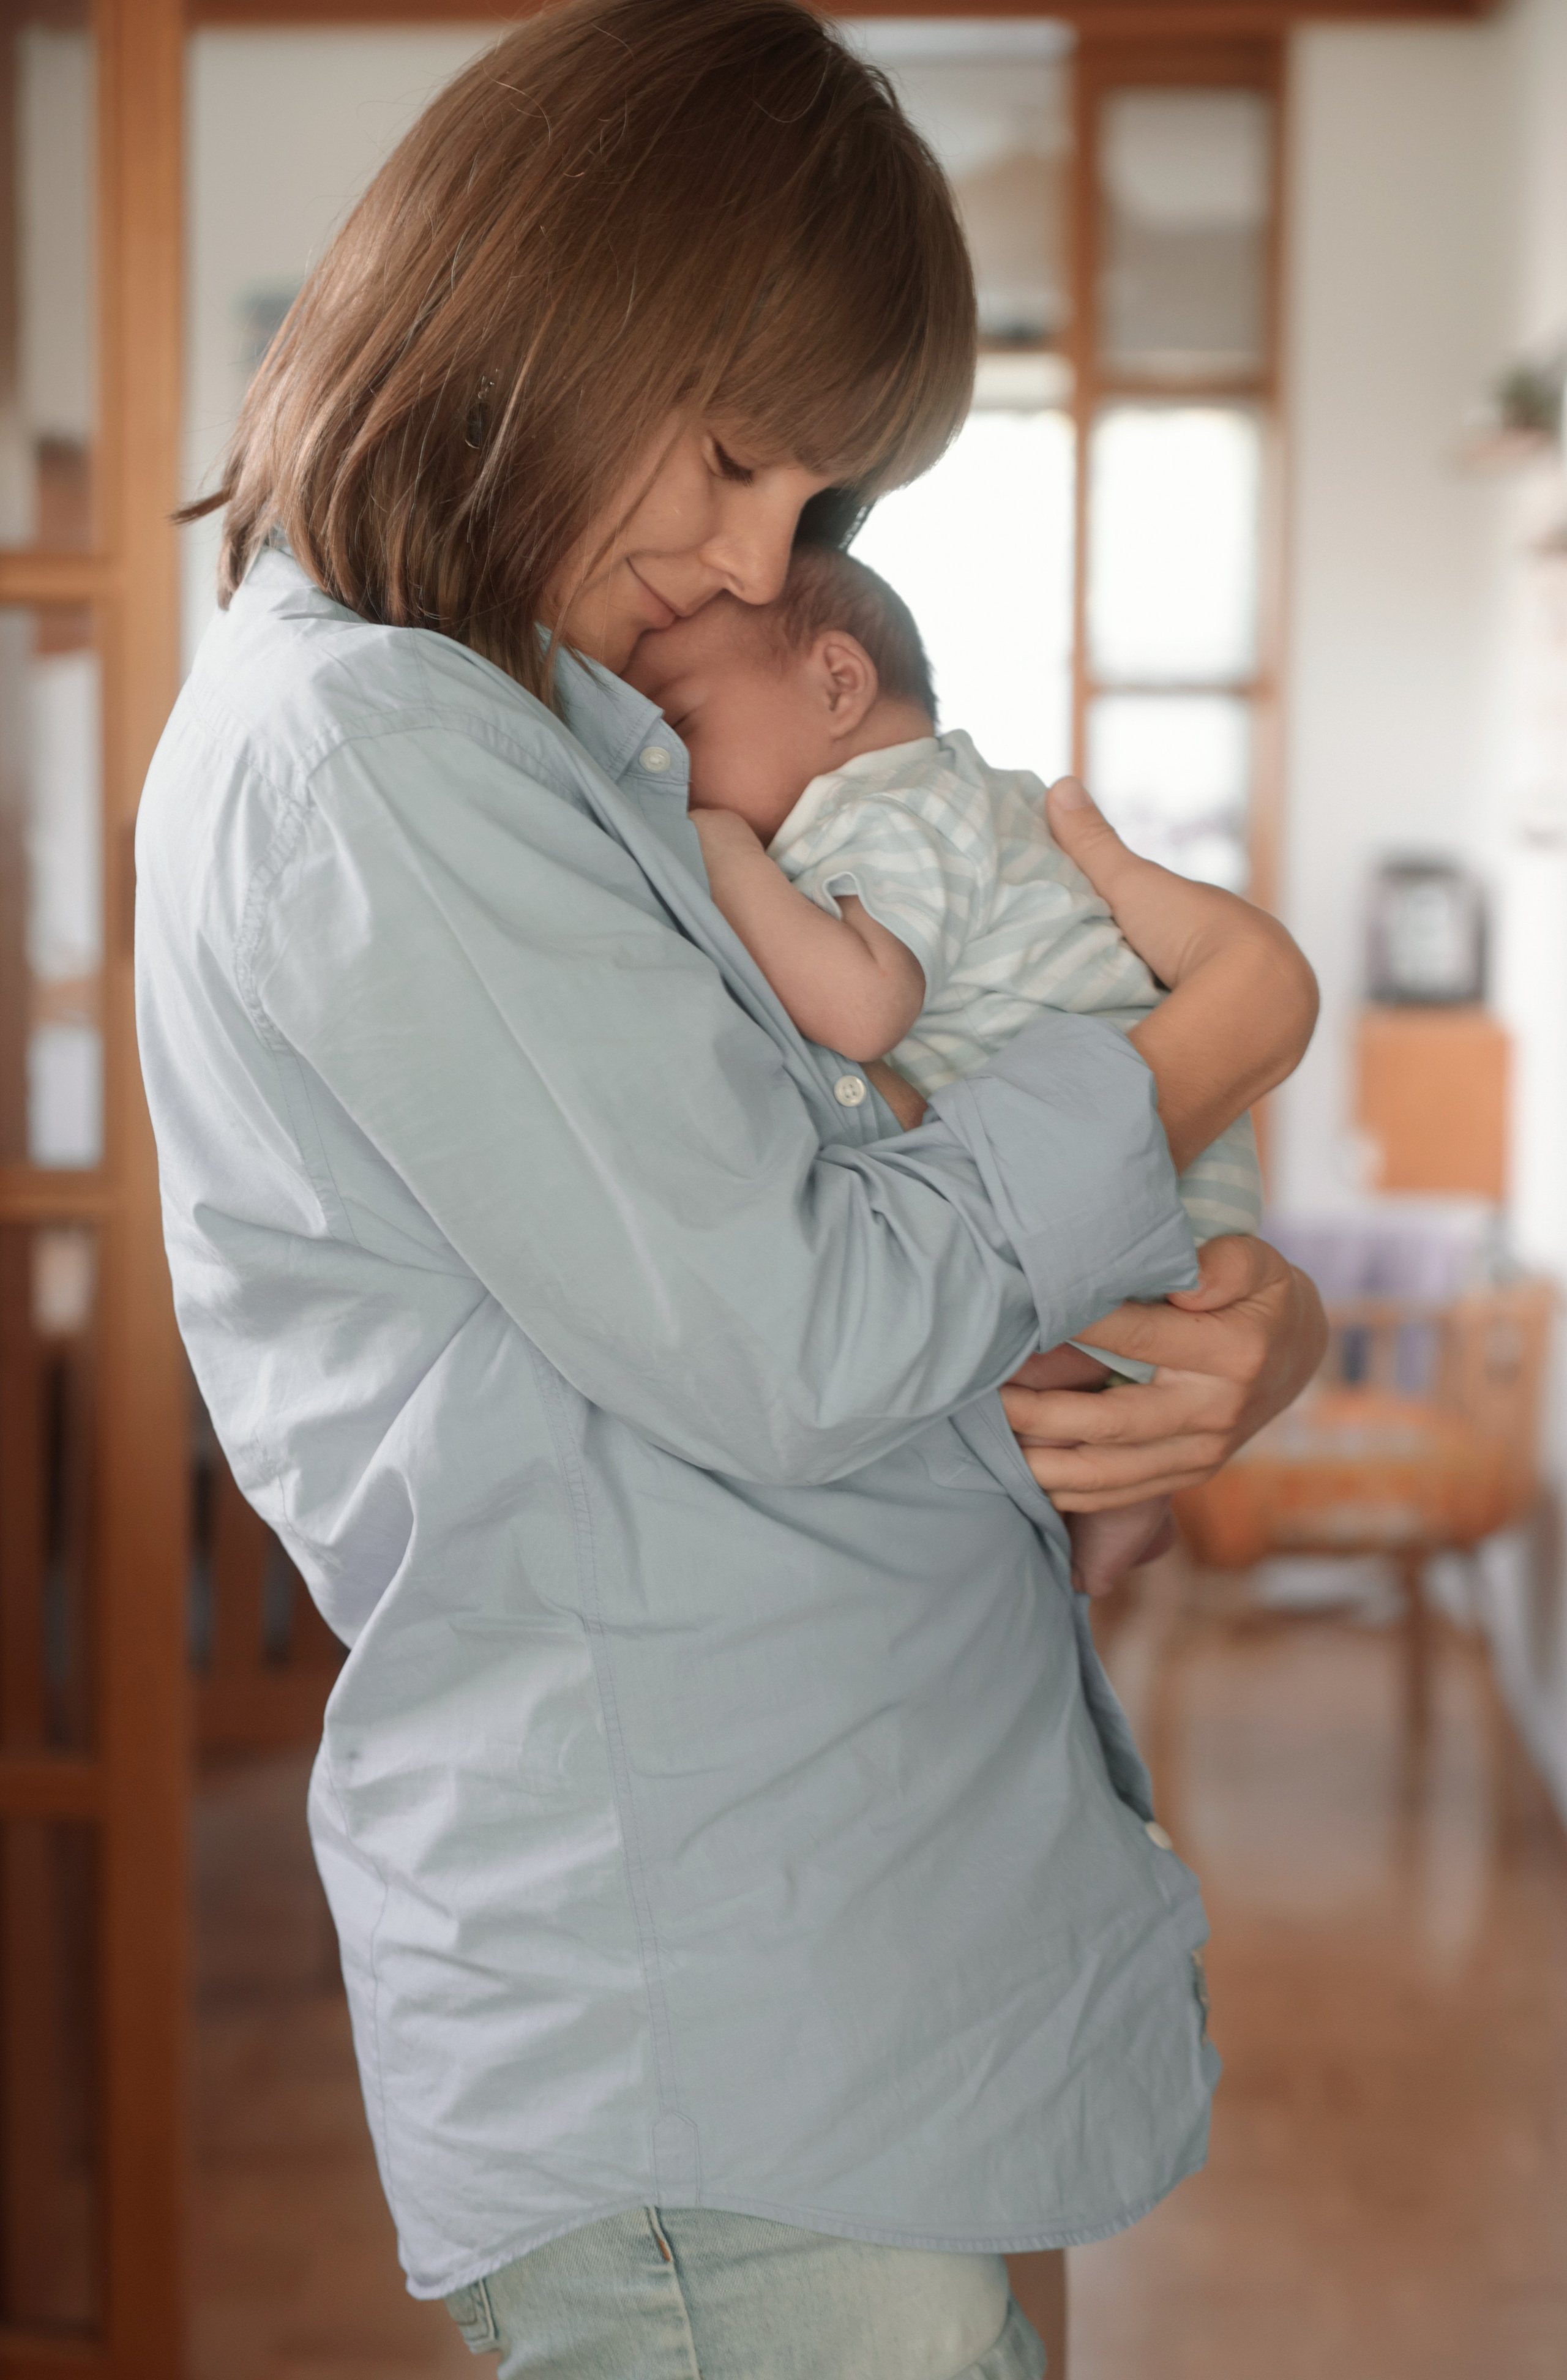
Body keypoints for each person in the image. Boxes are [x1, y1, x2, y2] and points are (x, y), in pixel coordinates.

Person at [138, 4, 1325, 2375]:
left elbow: (866, 1213)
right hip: (723, 2020)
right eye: (734, 457)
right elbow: (797, 1335)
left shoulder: (542, 730)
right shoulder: (372, 751)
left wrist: (1226, 1316)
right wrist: (1223, 1029)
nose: (755, 563)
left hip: (859, 1959)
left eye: (813, 500)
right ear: (545, 309)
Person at [627, 545, 1276, 1598]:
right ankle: (1122, 1500)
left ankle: (1110, 1491)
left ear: (839, 683)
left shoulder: (887, 809)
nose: (664, 768)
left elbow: (862, 1006)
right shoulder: (952, 801)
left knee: (939, 1367)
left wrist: (721, 855)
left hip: (1128, 1196)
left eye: (681, 724)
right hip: (1146, 1183)